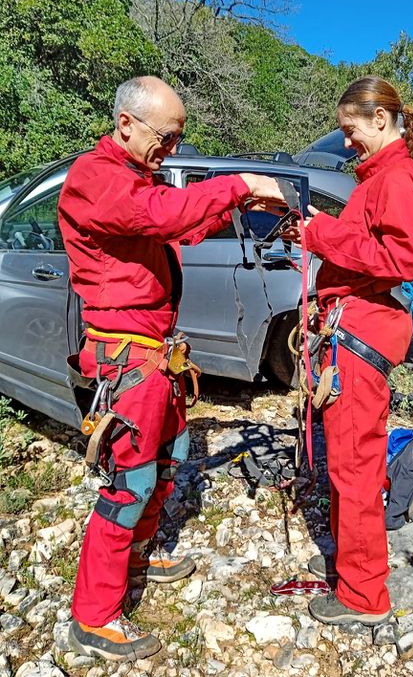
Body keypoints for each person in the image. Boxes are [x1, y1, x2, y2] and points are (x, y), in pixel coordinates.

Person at [58, 76, 287, 661]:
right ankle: (95, 615)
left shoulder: (138, 180)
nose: (174, 150)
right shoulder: (95, 177)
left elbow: (175, 224)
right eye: (167, 136)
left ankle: (139, 555)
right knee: (127, 482)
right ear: (127, 122)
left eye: (180, 138)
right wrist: (236, 184)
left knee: (168, 459)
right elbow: (156, 217)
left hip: (157, 353)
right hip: (126, 354)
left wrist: (242, 211)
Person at [285, 76, 413, 626]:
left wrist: (322, 235)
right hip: (352, 329)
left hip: (358, 339)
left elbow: (407, 258)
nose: (347, 143)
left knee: (353, 464)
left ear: (380, 120)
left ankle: (363, 595)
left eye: (351, 132)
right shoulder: (384, 177)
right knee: (355, 460)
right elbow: (372, 252)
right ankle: (353, 562)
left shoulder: (394, 177)